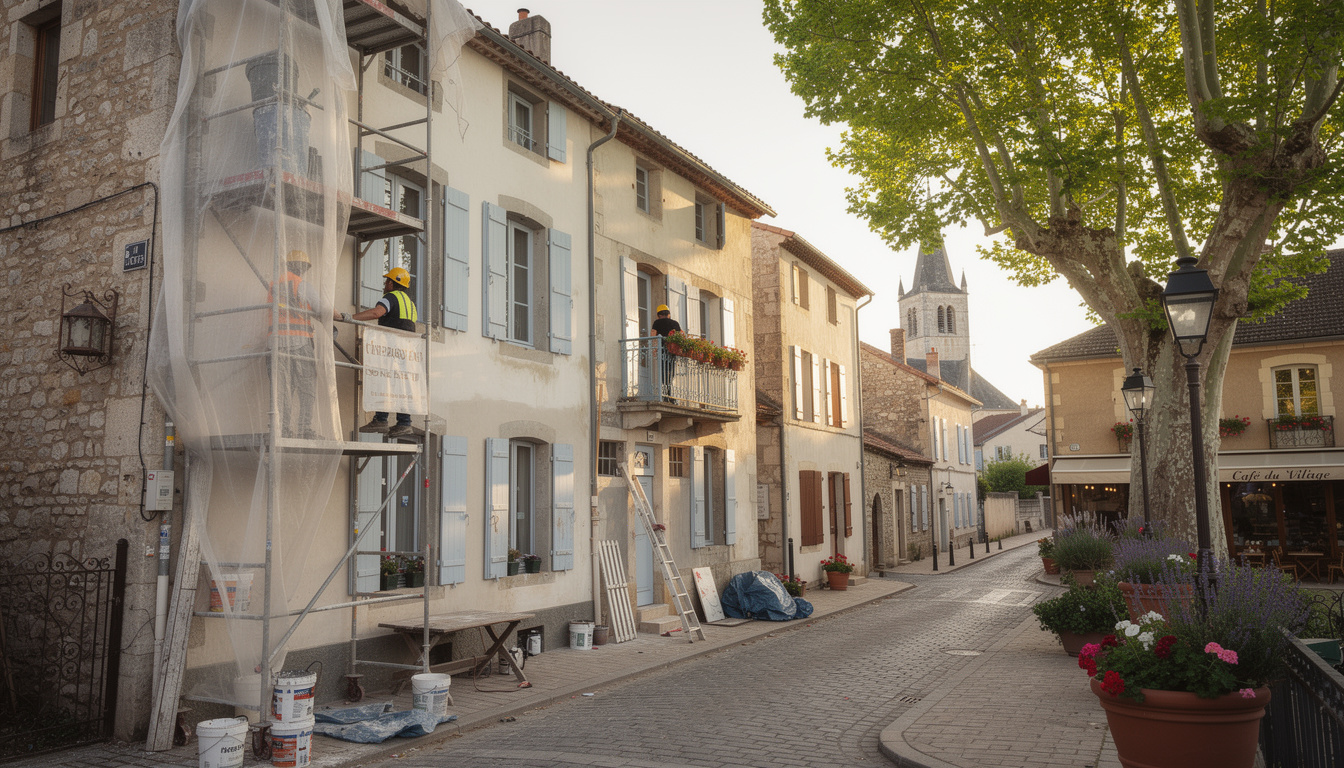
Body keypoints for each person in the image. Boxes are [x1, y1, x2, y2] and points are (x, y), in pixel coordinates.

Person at [337, 267, 418, 437]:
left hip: (392, 347)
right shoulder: (410, 304)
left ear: (392, 283)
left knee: (384, 381)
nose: (385, 284)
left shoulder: (391, 297)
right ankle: (404, 422)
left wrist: (350, 317)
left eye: (387, 281)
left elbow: (377, 312)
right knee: (400, 384)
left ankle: (381, 420)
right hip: (408, 350)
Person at [267, 250, 319, 439]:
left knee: (281, 390)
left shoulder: (274, 285)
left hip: (275, 344)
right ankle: (304, 429)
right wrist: (343, 317)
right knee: (307, 388)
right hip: (299, 342)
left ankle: (281, 429)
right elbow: (323, 309)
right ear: (302, 268)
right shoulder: (301, 284)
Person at [650, 304, 681, 401]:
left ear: (658, 315)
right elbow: (680, 337)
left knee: (663, 373)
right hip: (672, 351)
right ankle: (669, 395)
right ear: (669, 314)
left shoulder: (657, 323)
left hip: (662, 351)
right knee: (670, 373)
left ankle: (665, 395)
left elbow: (653, 335)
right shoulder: (675, 323)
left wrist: (654, 349)